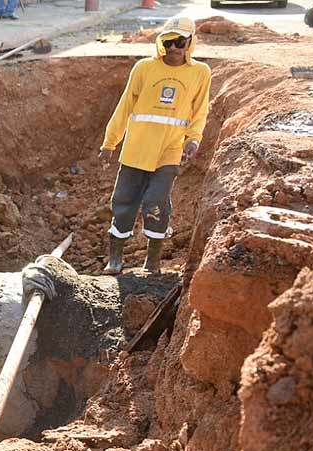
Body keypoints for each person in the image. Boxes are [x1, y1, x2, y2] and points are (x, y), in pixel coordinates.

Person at [98, 16, 211, 275]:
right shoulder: (144, 68)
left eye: (180, 42)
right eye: (168, 41)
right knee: (124, 202)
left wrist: (193, 140)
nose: (173, 48)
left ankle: (153, 260)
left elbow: (200, 112)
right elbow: (125, 106)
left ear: (190, 43)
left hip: (169, 151)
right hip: (136, 150)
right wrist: (110, 142)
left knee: (156, 202)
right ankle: (115, 259)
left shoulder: (200, 73)